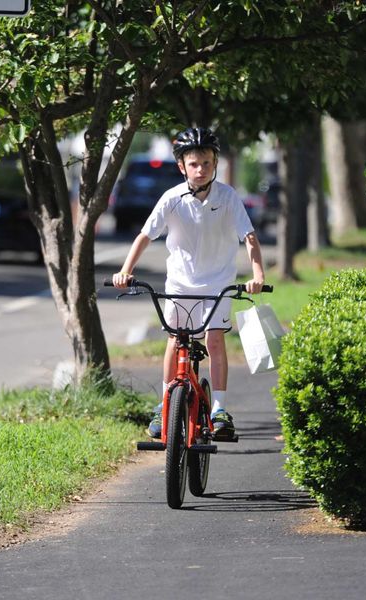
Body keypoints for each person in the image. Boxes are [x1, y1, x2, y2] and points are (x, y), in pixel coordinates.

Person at [112, 127, 266, 441]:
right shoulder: (172, 198)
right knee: (174, 339)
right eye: (193, 164)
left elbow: (249, 237)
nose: (200, 169)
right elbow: (145, 235)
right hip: (181, 283)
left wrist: (258, 274)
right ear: (182, 166)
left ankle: (219, 408)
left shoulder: (228, 197)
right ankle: (165, 403)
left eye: (207, 163)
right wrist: (125, 270)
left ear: (216, 164)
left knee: (215, 341)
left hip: (217, 282)